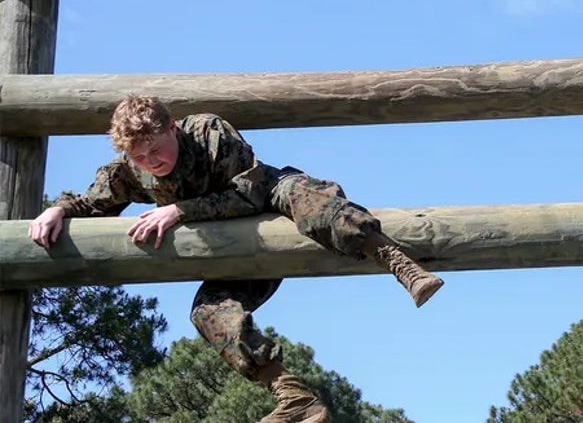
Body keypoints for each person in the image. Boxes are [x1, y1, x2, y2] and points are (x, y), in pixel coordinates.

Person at [29, 95, 444, 423]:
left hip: (269, 195)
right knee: (208, 312)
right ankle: (293, 396)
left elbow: (250, 193)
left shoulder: (209, 131)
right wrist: (58, 210)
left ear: (172, 128)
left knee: (312, 201)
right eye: (140, 158)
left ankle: (399, 264)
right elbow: (92, 200)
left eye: (155, 150)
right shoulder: (132, 169)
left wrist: (179, 211)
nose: (150, 163)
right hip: (235, 254)